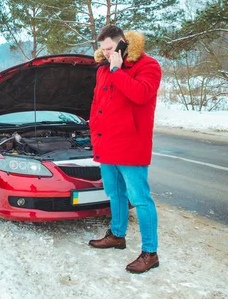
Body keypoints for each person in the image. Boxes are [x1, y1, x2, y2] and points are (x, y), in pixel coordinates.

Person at [87, 24, 162, 274]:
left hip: (131, 146)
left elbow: (141, 95)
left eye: (109, 48)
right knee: (115, 194)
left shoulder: (148, 66)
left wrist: (118, 70)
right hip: (107, 144)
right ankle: (117, 235)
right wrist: (94, 132)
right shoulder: (102, 69)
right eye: (103, 50)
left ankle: (150, 253)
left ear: (122, 43)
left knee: (140, 199)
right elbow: (97, 104)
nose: (106, 53)